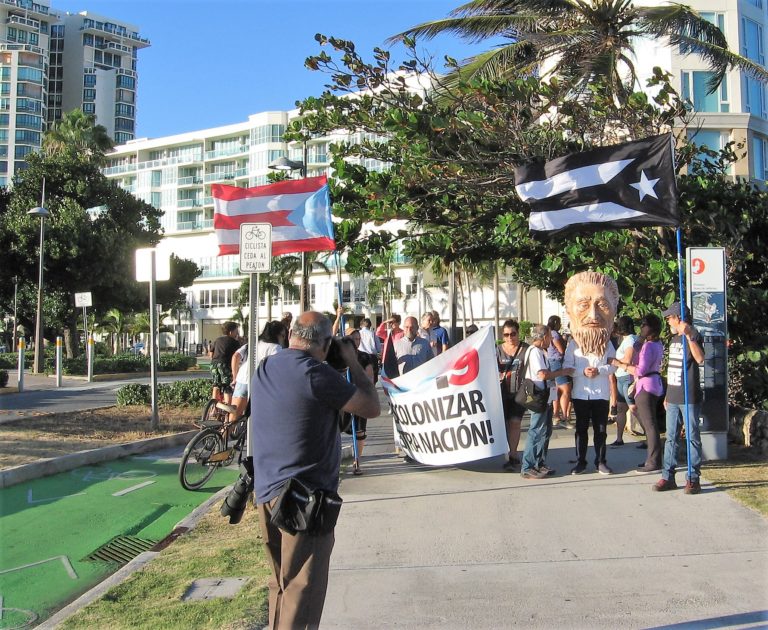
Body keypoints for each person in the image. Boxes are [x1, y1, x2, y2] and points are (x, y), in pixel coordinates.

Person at [251, 311, 381, 629]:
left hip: (267, 491)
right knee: (302, 589)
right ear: (324, 343)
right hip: (304, 500)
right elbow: (371, 407)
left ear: (291, 334)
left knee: (281, 582)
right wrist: (351, 361)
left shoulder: (266, 366)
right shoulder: (316, 375)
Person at [561, 271, 618, 475]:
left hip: (600, 393)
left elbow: (613, 365)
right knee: (581, 429)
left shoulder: (608, 344)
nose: (593, 316)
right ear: (569, 311)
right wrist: (581, 371)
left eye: (602, 305)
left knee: (601, 430)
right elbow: (568, 366)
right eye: (584, 305)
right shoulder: (573, 346)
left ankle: (601, 461)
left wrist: (600, 371)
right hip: (580, 393)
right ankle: (581, 461)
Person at [652, 303, 705, 494]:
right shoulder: (674, 339)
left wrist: (689, 335)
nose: (668, 322)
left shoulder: (695, 335)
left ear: (679, 318)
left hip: (689, 397)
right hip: (673, 396)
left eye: (670, 318)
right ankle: (668, 476)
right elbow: (672, 368)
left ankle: (693, 478)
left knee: (692, 437)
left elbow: (699, 359)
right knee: (671, 438)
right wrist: (667, 395)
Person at [613, 314, 664, 473]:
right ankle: (651, 459)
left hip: (646, 386)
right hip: (653, 384)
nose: (641, 327)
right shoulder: (656, 343)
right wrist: (642, 337)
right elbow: (636, 348)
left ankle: (654, 461)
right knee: (650, 425)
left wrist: (619, 364)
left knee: (649, 426)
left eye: (644, 325)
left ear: (651, 328)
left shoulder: (649, 346)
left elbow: (641, 370)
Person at [520, 325, 569, 479]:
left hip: (544, 395)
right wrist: (562, 372)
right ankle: (528, 466)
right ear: (543, 338)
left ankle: (539, 463)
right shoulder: (535, 352)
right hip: (538, 396)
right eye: (550, 337)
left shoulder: (539, 351)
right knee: (537, 431)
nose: (552, 340)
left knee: (545, 431)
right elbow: (542, 375)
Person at [228, 321, 286, 423]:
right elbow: (278, 368)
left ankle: (222, 437)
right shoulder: (276, 348)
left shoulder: (254, 343)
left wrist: (235, 377)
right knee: (260, 418)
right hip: (260, 384)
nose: (283, 338)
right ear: (278, 335)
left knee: (233, 418)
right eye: (283, 335)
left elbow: (235, 356)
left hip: (242, 379)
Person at [342, 328, 376, 475]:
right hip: (343, 399)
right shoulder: (339, 356)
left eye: (358, 339)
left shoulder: (365, 357)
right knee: (337, 429)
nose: (356, 342)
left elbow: (371, 378)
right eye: (353, 339)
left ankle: (357, 461)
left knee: (360, 432)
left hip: (360, 398)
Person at [496, 319, 528, 471]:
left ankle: (513, 454)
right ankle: (507, 451)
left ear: (518, 333)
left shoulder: (526, 349)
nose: (510, 338)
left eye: (513, 334)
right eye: (506, 334)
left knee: (515, 422)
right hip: (501, 393)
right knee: (504, 424)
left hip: (519, 392)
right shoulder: (497, 350)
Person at [609, 316, 639, 446]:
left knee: (633, 407)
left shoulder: (630, 340)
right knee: (622, 408)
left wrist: (616, 362)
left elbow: (628, 359)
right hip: (621, 376)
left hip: (627, 376)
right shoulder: (625, 339)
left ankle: (649, 438)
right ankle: (619, 438)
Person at [546, 315, 571, 426]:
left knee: (554, 390)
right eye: (559, 322)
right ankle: (565, 416)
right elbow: (561, 350)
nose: (560, 325)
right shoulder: (555, 334)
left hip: (550, 362)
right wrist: (564, 343)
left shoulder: (547, 333)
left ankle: (555, 415)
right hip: (558, 362)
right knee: (565, 390)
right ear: (555, 323)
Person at [208, 321, 241, 404]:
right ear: (231, 332)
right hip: (225, 365)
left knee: (216, 385)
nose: (237, 333)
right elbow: (237, 357)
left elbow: (211, 353)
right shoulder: (235, 343)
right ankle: (227, 411)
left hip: (214, 364)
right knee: (227, 387)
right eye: (236, 331)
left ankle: (213, 408)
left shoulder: (217, 340)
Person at [358, 317, 380, 383]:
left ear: (361, 325)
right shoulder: (373, 334)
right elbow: (378, 348)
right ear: (370, 325)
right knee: (373, 379)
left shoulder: (357, 333)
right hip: (371, 358)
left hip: (360, 357)